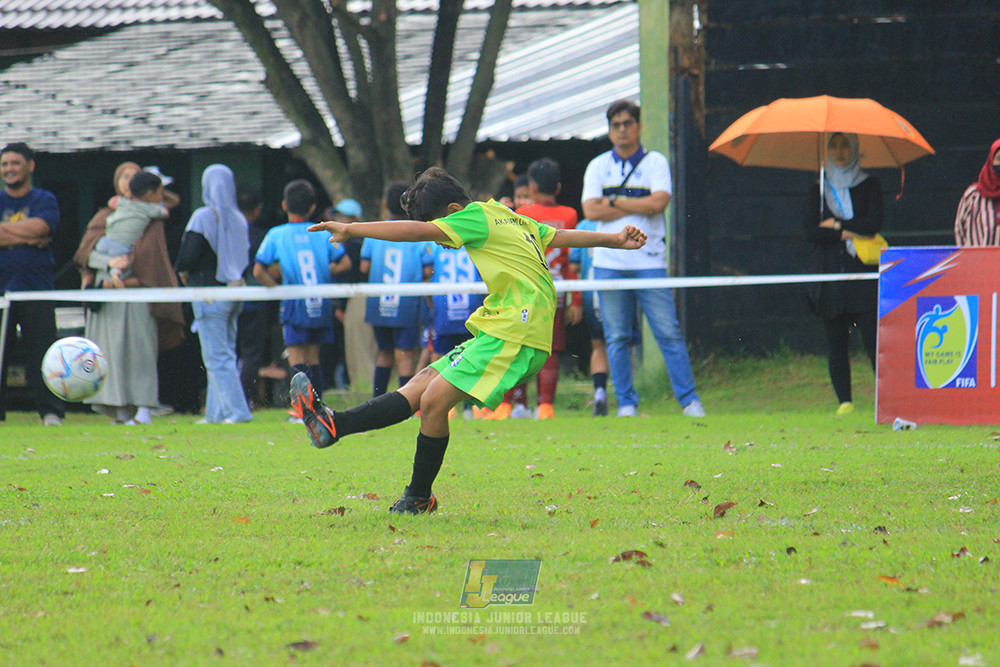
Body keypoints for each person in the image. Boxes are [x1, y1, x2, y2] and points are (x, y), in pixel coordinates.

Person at [290, 166, 648, 514]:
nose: (441, 240)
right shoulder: (506, 215)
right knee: (421, 384)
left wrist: (354, 229)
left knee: (432, 402)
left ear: (453, 212)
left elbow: (415, 232)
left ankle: (417, 497)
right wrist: (615, 240)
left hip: (517, 331)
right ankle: (334, 424)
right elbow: (561, 237)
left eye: (440, 230)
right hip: (501, 328)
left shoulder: (473, 217)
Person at [581, 99, 705, 418]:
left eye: (627, 123)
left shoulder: (656, 162)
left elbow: (659, 202)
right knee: (617, 335)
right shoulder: (597, 166)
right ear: (609, 131)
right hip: (608, 263)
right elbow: (591, 210)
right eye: (615, 125)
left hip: (649, 261)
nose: (621, 130)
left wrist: (616, 201)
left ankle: (690, 401)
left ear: (638, 126)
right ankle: (626, 404)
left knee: (668, 332)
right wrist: (638, 201)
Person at [74, 161, 185, 425]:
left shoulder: (150, 214)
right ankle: (120, 410)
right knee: (111, 352)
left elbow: (152, 252)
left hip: (136, 290)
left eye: (133, 177)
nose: (127, 182)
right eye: (123, 177)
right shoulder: (106, 216)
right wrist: (109, 264)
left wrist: (132, 275)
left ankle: (144, 408)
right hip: (108, 290)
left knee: (140, 349)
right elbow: (85, 253)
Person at [804, 132, 883, 416]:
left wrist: (836, 227)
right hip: (831, 277)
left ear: (855, 149)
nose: (839, 152)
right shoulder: (818, 188)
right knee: (836, 342)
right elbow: (811, 231)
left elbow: (873, 224)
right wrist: (851, 229)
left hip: (862, 275)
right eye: (833, 146)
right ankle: (844, 402)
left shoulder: (869, 184)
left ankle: (884, 398)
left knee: (874, 340)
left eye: (845, 145)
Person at [253, 180, 350, 405]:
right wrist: (325, 270)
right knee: (314, 358)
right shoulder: (321, 233)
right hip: (320, 303)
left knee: (296, 359)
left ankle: (302, 410)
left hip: (294, 304)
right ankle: (318, 407)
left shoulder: (277, 234)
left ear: (284, 205)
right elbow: (345, 263)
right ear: (313, 207)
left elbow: (258, 270)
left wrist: (277, 290)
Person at [175, 164, 252, 424]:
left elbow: (188, 255)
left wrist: (182, 272)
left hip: (209, 295)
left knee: (217, 358)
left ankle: (238, 412)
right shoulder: (239, 219)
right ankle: (215, 414)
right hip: (235, 291)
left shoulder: (202, 217)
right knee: (224, 353)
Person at [510, 157, 581, 420]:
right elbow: (573, 261)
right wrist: (577, 299)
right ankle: (546, 406)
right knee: (550, 348)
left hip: (529, 292)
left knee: (523, 346)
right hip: (558, 291)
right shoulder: (570, 215)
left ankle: (519, 404)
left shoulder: (525, 214)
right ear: (559, 188)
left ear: (532, 188)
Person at [0, 142, 65, 425]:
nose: (9, 169)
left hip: (36, 288)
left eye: (15, 163)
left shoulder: (44, 198)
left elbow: (43, 227)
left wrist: (13, 233)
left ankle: (51, 412)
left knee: (42, 352)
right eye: (4, 164)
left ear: (30, 165)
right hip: (2, 291)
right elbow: (34, 232)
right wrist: (27, 237)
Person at [360, 183, 433, 397]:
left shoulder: (374, 232)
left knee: (384, 353)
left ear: (384, 204)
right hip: (406, 304)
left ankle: (377, 400)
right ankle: (406, 403)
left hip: (378, 302)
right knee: (406, 355)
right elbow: (428, 269)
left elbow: (364, 266)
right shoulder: (417, 233)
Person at [236, 186, 274, 408]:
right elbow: (265, 269)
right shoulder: (262, 236)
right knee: (251, 354)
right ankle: (245, 400)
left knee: (228, 352)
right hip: (256, 300)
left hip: (229, 299)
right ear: (257, 210)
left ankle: (231, 399)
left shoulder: (229, 234)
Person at [93, 170, 167, 282]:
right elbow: (165, 213)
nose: (161, 197)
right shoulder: (149, 209)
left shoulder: (121, 203)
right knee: (123, 263)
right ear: (150, 195)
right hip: (121, 247)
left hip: (105, 242)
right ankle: (115, 276)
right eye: (160, 193)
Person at [569, 218, 610, 416]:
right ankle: (626, 397)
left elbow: (574, 265)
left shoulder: (585, 225)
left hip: (591, 291)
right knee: (621, 343)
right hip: (618, 290)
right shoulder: (625, 222)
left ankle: (600, 392)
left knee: (598, 344)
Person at [954, 139, 1000, 246]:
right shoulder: (973, 196)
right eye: (999, 159)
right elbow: (960, 230)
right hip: (979, 261)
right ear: (991, 161)